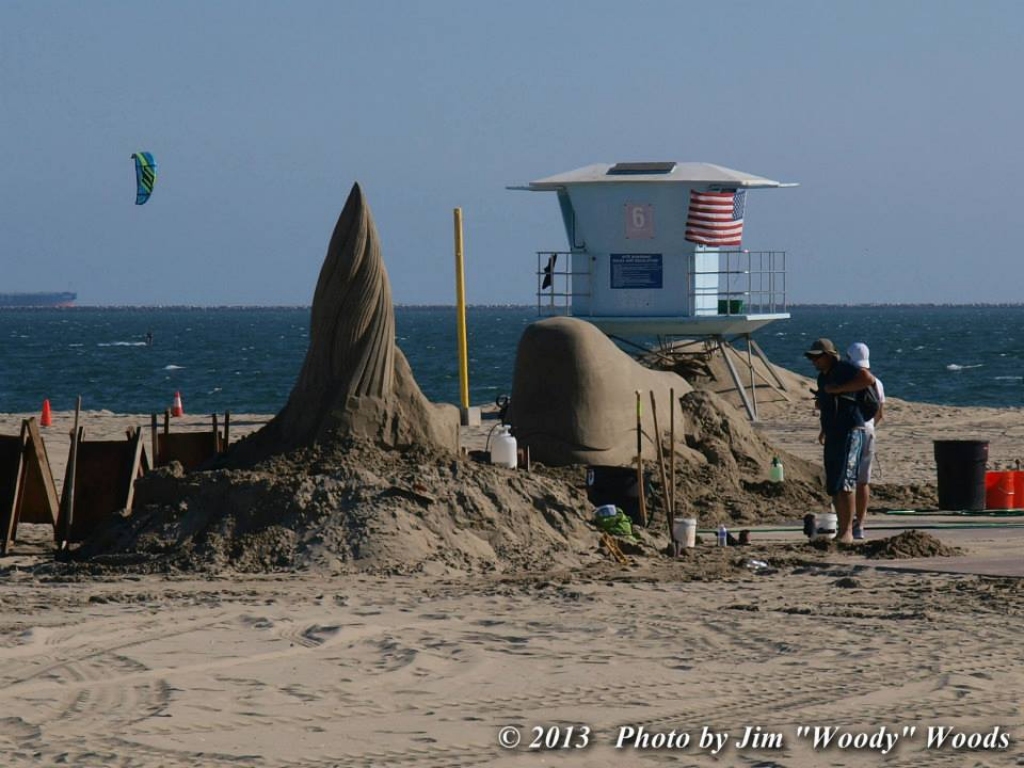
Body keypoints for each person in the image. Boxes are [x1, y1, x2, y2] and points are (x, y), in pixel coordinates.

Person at [805, 338, 876, 543]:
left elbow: (867, 378)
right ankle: (842, 530)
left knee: (846, 481)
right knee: (835, 483)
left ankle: (847, 531)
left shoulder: (843, 369)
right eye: (812, 357)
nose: (814, 361)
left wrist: (838, 389)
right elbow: (827, 405)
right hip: (833, 432)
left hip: (850, 430)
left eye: (817, 357)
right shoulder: (822, 378)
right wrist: (823, 429)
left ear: (828, 356)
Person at [846, 342, 885, 540]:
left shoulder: (850, 380)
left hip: (851, 431)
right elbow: (880, 413)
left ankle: (845, 524)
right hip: (869, 431)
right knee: (863, 481)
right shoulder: (876, 382)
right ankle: (859, 524)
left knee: (847, 480)